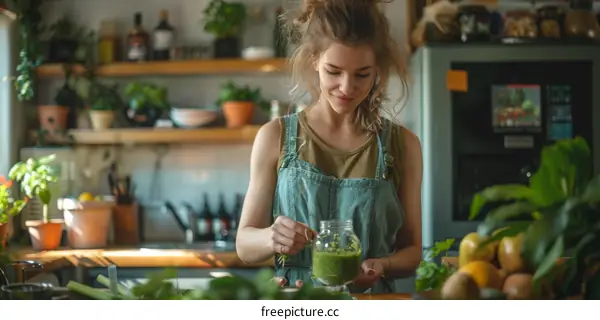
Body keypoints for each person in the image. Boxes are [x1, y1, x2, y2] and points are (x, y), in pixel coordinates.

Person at [235, 0, 422, 293]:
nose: (347, 88)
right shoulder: (275, 137)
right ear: (314, 60)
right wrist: (272, 237)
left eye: (362, 74)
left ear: (377, 69)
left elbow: (412, 251)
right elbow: (244, 246)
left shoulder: (404, 145)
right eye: (334, 71)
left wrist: (381, 266)